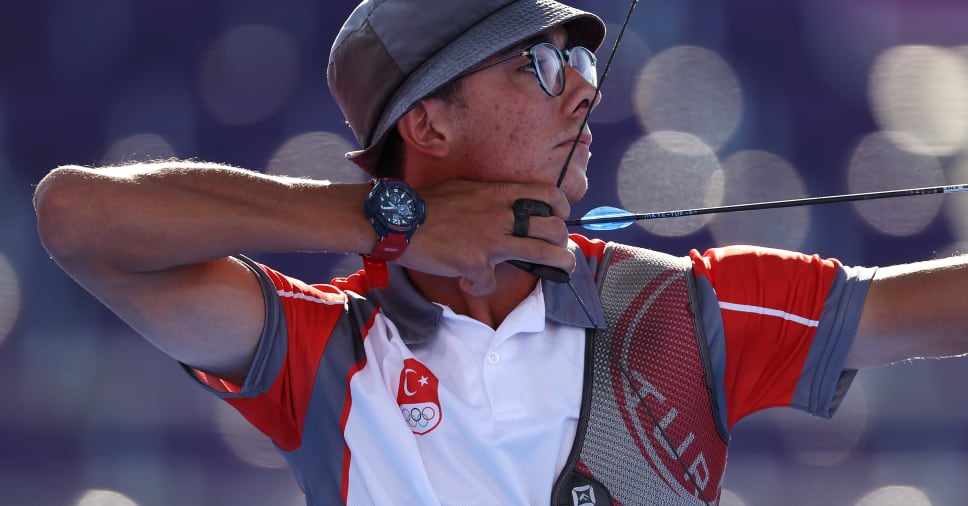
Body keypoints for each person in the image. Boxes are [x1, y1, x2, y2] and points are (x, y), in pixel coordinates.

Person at [32, 0, 968, 504]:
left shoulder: (685, 312)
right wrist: (391, 222)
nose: (585, 96)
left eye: (587, 64)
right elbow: (73, 216)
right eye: (543, 64)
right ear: (428, 120)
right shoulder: (327, 355)